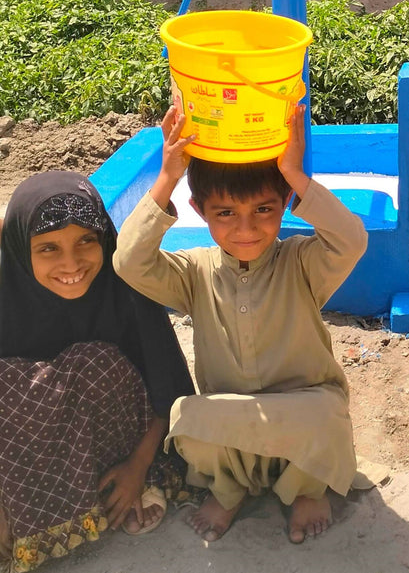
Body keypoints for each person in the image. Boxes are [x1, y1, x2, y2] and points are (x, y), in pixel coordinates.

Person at [113, 104, 369, 545]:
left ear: (285, 202)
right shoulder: (193, 273)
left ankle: (305, 490)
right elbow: (129, 262)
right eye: (226, 213)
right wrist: (168, 176)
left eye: (264, 209)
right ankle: (229, 490)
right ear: (199, 210)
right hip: (234, 428)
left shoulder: (303, 262)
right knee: (186, 418)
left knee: (328, 414)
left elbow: (353, 239)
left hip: (302, 418)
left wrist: (294, 172)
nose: (246, 228)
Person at [0, 170, 195, 572]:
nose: (71, 263)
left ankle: (123, 488)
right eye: (48, 248)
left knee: (93, 363)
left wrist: (138, 467)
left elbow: (168, 385)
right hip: (27, 453)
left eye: (87, 240)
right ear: (21, 249)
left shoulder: (125, 286)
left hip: (115, 444)